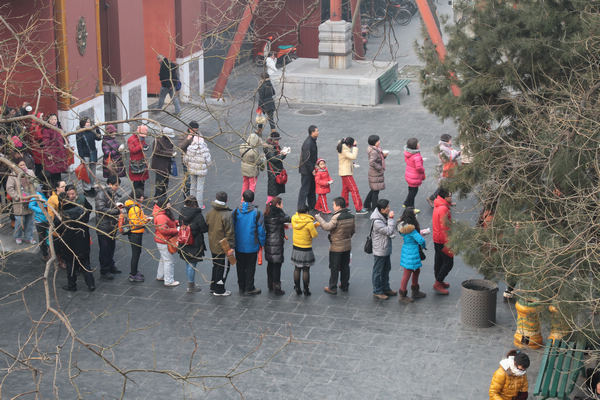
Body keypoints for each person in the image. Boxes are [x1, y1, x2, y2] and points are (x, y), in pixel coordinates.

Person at [56, 188, 95, 292]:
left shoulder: (61, 215)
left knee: (70, 265)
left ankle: (72, 285)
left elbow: (58, 229)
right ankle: (91, 284)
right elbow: (86, 219)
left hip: (69, 245)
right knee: (86, 263)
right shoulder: (81, 210)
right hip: (83, 241)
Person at [315, 197, 356, 294]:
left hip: (336, 247)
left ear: (338, 206)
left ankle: (332, 287)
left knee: (334, 267)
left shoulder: (336, 217)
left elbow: (327, 227)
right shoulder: (351, 216)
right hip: (347, 245)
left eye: (333, 205)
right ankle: (344, 285)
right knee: (345, 266)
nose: (333, 206)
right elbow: (353, 231)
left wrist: (319, 218)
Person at [232, 190, 266, 295]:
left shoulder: (236, 211)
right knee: (250, 267)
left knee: (240, 266)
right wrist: (262, 243)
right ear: (253, 199)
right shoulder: (257, 213)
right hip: (252, 245)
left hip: (239, 244)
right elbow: (261, 230)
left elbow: (231, 227)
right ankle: (249, 287)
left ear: (243, 198)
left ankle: (241, 286)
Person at [95, 175, 124, 280]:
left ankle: (111, 265)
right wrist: (116, 211)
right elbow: (101, 209)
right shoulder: (101, 194)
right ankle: (104, 269)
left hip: (112, 225)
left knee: (111, 247)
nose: (117, 187)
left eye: (118, 185)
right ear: (109, 184)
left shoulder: (114, 194)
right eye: (115, 185)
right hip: (103, 226)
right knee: (104, 249)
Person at [205, 191, 234, 296]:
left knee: (216, 266)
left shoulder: (209, 213)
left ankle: (213, 286)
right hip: (223, 247)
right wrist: (230, 247)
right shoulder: (227, 215)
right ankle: (220, 289)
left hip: (213, 245)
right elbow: (230, 233)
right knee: (223, 268)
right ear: (226, 200)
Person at [398, 207, 428, 303]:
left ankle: (414, 290)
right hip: (413, 251)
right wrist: (423, 246)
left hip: (406, 249)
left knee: (415, 270)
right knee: (407, 273)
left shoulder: (401, 225)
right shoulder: (412, 229)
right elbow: (421, 240)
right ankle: (403, 295)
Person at [179, 196, 209, 293]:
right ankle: (190, 285)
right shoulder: (198, 215)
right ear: (195, 203)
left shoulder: (181, 213)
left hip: (184, 242)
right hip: (195, 242)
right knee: (192, 264)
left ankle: (191, 282)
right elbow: (204, 229)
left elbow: (180, 225)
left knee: (188, 263)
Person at [370, 199, 397, 300]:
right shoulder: (377, 221)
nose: (389, 209)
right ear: (382, 209)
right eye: (387, 208)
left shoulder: (382, 216)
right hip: (380, 249)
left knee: (386, 269)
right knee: (378, 271)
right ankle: (377, 290)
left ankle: (386, 288)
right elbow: (389, 231)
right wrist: (391, 218)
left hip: (385, 248)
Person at [263, 196, 291, 295]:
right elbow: (288, 218)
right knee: (277, 266)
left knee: (270, 264)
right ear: (278, 205)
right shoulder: (279, 214)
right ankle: (277, 288)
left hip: (268, 242)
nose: (282, 205)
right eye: (281, 204)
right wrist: (281, 210)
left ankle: (270, 284)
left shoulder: (266, 213)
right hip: (277, 243)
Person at [290, 204, 318, 296]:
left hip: (296, 247)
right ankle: (306, 289)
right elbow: (314, 235)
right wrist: (315, 225)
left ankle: (297, 287)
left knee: (297, 268)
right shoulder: (309, 223)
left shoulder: (294, 218)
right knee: (306, 269)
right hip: (306, 248)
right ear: (307, 212)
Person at [7, 158, 35, 244]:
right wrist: (17, 196)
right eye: (21, 165)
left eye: (24, 164)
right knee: (19, 221)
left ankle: (29, 237)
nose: (23, 167)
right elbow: (9, 188)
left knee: (30, 220)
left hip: (29, 199)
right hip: (19, 202)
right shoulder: (12, 175)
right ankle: (18, 236)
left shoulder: (30, 172)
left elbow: (35, 183)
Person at [182, 124, 212, 208]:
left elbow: (185, 160)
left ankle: (191, 204)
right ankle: (199, 205)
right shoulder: (205, 149)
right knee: (199, 188)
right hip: (201, 171)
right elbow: (209, 162)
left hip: (192, 170)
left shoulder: (190, 148)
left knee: (192, 186)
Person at [427, 134, 460, 207]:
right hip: (446, 170)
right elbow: (449, 158)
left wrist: (456, 153)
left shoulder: (446, 147)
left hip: (449, 169)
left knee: (447, 186)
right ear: (447, 141)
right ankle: (432, 198)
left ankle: (447, 200)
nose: (451, 142)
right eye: (450, 140)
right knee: (444, 186)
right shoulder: (443, 149)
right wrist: (456, 153)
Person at [153, 198, 180, 287]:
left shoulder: (162, 213)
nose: (170, 204)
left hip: (162, 240)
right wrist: (176, 230)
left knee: (163, 259)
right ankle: (169, 281)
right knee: (169, 261)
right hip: (164, 241)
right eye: (168, 203)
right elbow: (164, 230)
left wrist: (175, 223)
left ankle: (160, 276)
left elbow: (168, 223)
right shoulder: (161, 216)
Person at [337, 137, 368, 214]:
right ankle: (359, 208)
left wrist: (352, 164)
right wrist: (355, 147)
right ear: (349, 145)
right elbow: (353, 156)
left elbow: (346, 160)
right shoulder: (344, 150)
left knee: (345, 190)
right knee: (354, 190)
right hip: (346, 173)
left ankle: (343, 207)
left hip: (345, 172)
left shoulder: (344, 148)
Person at [125, 188, 149, 282]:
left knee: (137, 253)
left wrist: (144, 217)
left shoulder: (133, 205)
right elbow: (135, 222)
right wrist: (145, 220)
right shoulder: (135, 208)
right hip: (136, 233)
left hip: (135, 232)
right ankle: (133, 274)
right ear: (139, 198)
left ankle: (134, 271)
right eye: (142, 197)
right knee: (136, 254)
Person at [432, 187, 453, 294]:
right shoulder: (443, 208)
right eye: (450, 196)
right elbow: (445, 227)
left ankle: (439, 280)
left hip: (437, 237)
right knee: (449, 262)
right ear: (445, 197)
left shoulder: (438, 204)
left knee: (439, 260)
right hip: (443, 239)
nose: (451, 197)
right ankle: (438, 282)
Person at [41, 113, 68, 194]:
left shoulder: (59, 128)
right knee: (52, 174)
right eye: (52, 119)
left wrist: (67, 145)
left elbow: (64, 138)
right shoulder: (47, 130)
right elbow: (46, 143)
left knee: (58, 173)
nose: (54, 121)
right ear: (48, 120)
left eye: (55, 119)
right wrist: (48, 154)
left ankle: (60, 190)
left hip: (60, 153)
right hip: (52, 155)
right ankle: (54, 191)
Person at [76, 117, 101, 197]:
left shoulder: (91, 131)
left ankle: (92, 186)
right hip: (85, 155)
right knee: (86, 172)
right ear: (83, 123)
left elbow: (99, 138)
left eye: (89, 122)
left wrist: (97, 128)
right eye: (87, 122)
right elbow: (79, 146)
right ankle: (87, 189)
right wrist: (81, 157)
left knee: (93, 171)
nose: (89, 123)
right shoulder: (80, 132)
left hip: (93, 153)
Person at [264, 131, 289, 204]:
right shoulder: (269, 148)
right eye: (276, 140)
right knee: (272, 192)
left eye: (278, 140)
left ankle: (272, 205)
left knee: (275, 190)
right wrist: (283, 155)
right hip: (273, 171)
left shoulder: (275, 145)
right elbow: (274, 159)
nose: (277, 141)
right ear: (272, 139)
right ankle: (269, 206)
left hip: (276, 170)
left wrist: (283, 152)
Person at [297, 125, 319, 211]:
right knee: (305, 189)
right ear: (312, 132)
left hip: (311, 168)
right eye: (316, 131)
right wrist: (312, 169)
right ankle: (301, 207)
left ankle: (312, 206)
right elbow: (306, 159)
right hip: (306, 171)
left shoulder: (312, 141)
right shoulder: (308, 143)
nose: (318, 132)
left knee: (312, 189)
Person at [364, 135, 387, 212]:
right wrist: (380, 168)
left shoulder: (375, 149)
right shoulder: (374, 151)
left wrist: (383, 156)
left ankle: (366, 204)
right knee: (376, 191)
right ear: (374, 143)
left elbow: (377, 159)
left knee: (374, 189)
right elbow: (372, 162)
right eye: (378, 141)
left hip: (374, 172)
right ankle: (374, 208)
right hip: (375, 173)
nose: (379, 142)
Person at [151, 127, 175, 201]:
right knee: (159, 182)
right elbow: (157, 151)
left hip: (166, 165)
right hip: (159, 165)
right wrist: (170, 153)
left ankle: (164, 196)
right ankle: (157, 198)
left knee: (166, 182)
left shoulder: (169, 141)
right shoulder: (157, 140)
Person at [239, 131, 264, 200]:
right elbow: (258, 161)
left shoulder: (242, 146)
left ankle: (243, 198)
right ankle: (250, 200)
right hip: (252, 170)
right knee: (252, 185)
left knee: (245, 183)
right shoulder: (254, 151)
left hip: (244, 167)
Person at [403, 137, 426, 211]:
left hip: (409, 175)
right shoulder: (417, 156)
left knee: (411, 190)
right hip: (414, 177)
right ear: (416, 146)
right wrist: (423, 170)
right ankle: (409, 206)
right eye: (418, 143)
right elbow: (419, 168)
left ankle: (409, 205)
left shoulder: (408, 153)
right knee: (413, 193)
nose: (419, 144)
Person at [127, 125, 149, 194]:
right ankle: (134, 195)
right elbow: (132, 150)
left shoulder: (141, 139)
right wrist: (141, 146)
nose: (143, 138)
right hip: (135, 164)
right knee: (136, 182)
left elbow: (143, 145)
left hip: (142, 162)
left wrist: (145, 146)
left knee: (142, 181)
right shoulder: (131, 139)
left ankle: (141, 195)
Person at [29, 188, 49, 261]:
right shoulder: (37, 195)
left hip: (49, 220)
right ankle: (44, 254)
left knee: (49, 237)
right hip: (40, 221)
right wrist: (41, 210)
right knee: (42, 238)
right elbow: (30, 205)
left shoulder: (48, 195)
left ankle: (50, 252)